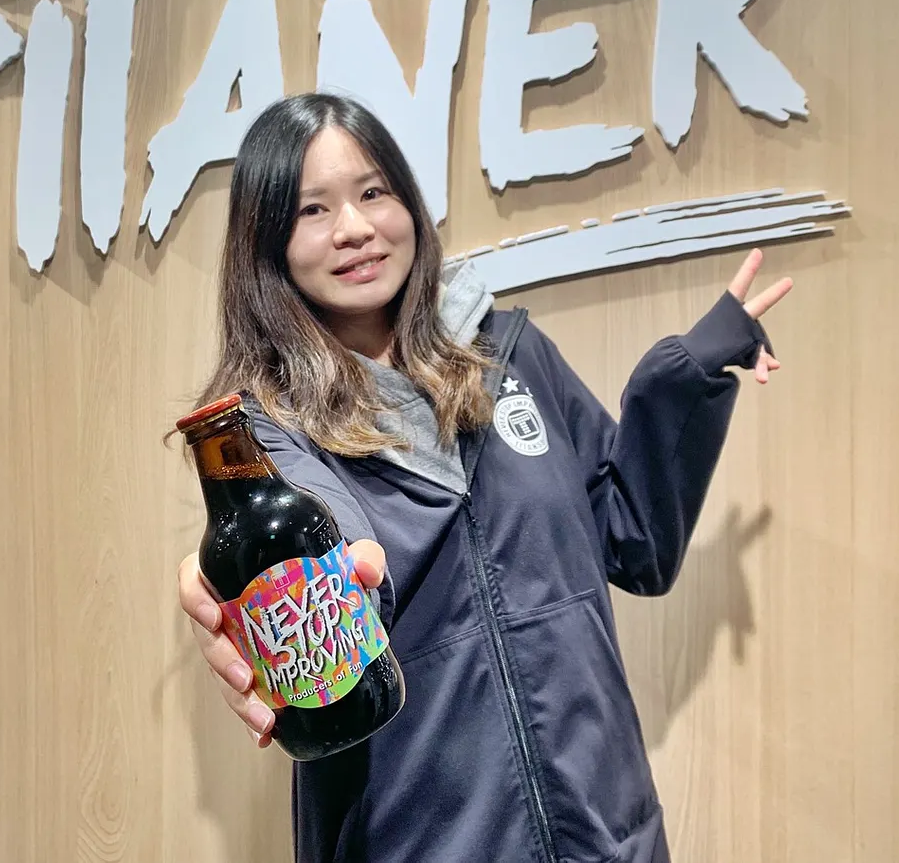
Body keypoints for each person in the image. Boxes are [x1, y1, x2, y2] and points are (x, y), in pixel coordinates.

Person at [176, 91, 790, 863]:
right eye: (312, 210)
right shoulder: (267, 430)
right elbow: (324, 554)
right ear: (267, 244)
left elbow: (633, 540)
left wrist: (683, 377)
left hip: (604, 830)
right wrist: (243, 568)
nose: (355, 228)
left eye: (374, 192)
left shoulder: (511, 352)